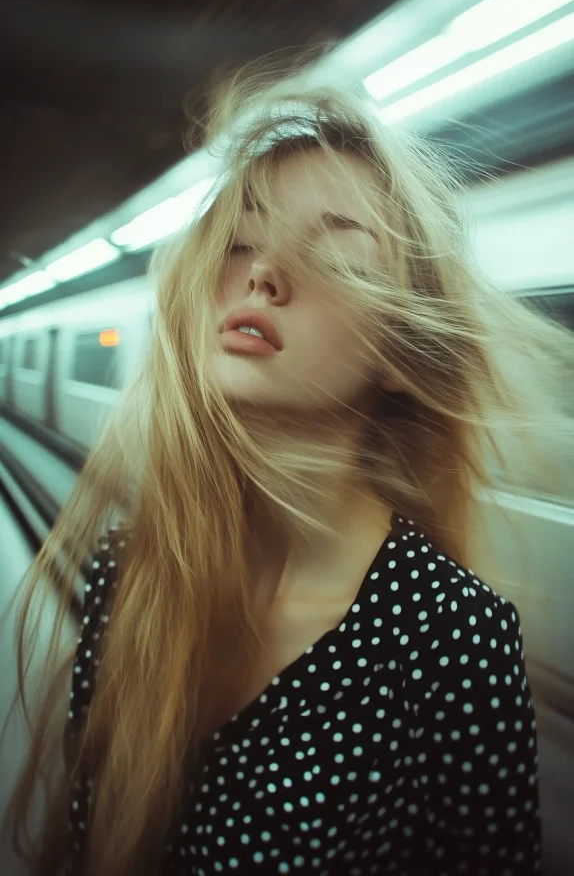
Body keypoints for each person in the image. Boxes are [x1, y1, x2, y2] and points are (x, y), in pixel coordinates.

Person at [5, 72, 572, 876]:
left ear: (400, 359)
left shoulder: (450, 639)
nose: (263, 272)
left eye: (334, 251)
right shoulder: (129, 574)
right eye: (239, 242)